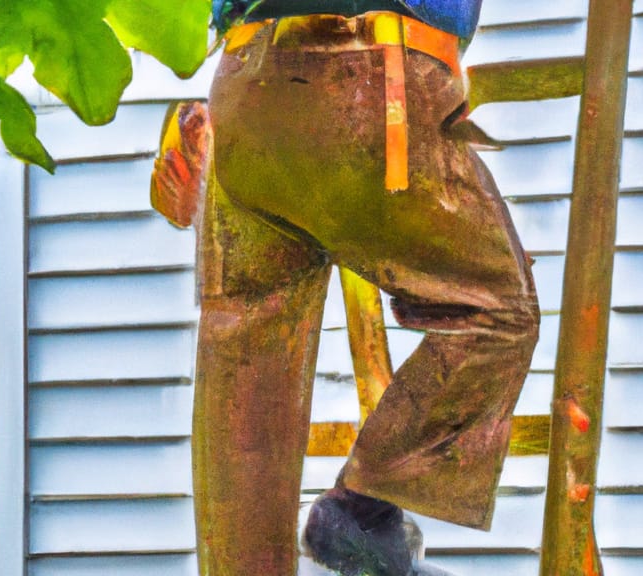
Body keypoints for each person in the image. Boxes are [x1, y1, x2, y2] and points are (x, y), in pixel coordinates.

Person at [155, 1, 540, 574]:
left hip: (241, 88)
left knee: (246, 367)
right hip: (369, 72)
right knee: (498, 311)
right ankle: (360, 510)